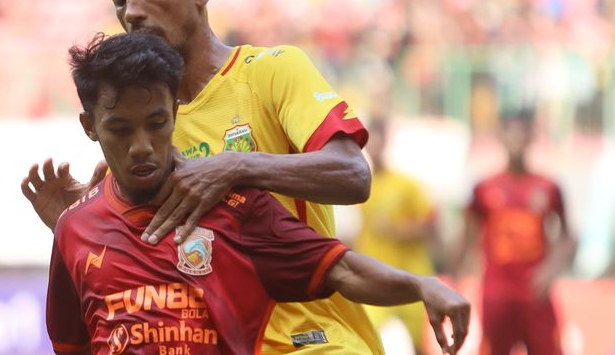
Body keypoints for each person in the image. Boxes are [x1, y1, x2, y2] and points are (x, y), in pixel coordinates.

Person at [22, 0, 384, 353]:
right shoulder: (141, 134)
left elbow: (352, 174)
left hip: (312, 343)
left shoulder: (271, 72)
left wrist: (234, 166)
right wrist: (80, 221)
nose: (131, 11)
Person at [47, 31, 469, 355]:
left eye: (156, 123)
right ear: (90, 127)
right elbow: (73, 344)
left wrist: (420, 286)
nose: (141, 145)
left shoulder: (234, 208)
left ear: (175, 113)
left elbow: (343, 270)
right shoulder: (73, 227)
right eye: (120, 129)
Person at [451, 109, 576, 355]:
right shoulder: (484, 188)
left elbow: (568, 237)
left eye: (523, 132)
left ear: (531, 136)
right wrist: (454, 285)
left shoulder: (549, 187)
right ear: (501, 136)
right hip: (497, 296)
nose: (517, 138)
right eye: (511, 132)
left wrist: (550, 270)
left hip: (535, 295)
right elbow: (466, 237)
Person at [355, 119, 438, 355]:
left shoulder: (406, 184)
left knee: (420, 346)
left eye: (378, 140)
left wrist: (397, 230)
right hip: (375, 277)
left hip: (410, 275)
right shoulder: (360, 185)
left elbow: (431, 226)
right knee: (366, 341)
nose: (374, 147)